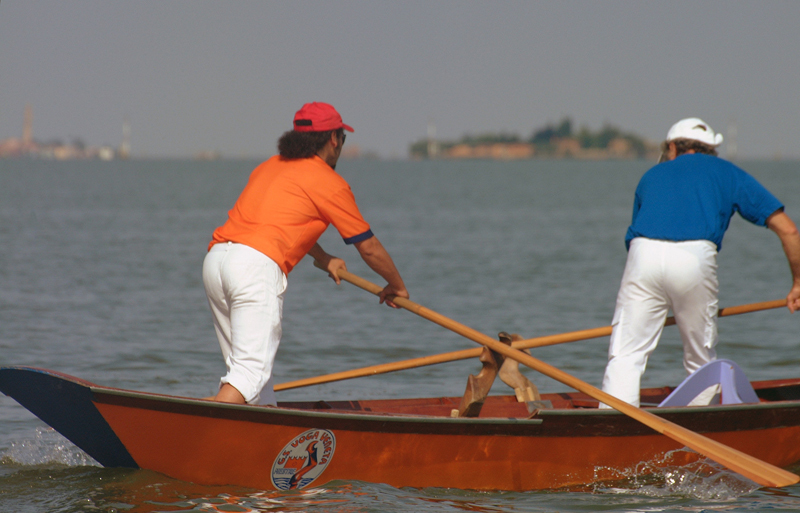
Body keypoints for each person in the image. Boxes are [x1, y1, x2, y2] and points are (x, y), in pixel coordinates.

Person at [202, 102, 409, 406]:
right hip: (254, 269)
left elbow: (282, 222)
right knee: (249, 376)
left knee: (256, 384)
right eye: (342, 138)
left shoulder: (269, 166)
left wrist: (324, 258)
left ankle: (262, 431)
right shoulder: (329, 182)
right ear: (334, 139)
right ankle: (186, 433)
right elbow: (368, 247)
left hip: (217, 260)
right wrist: (397, 286)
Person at [600, 117, 800, 408]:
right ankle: (699, 425)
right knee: (700, 358)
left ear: (672, 147)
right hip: (694, 258)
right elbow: (789, 230)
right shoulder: (727, 171)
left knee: (626, 355)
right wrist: (798, 284)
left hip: (642, 255)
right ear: (711, 149)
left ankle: (612, 422)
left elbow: (636, 236)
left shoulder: (651, 174)